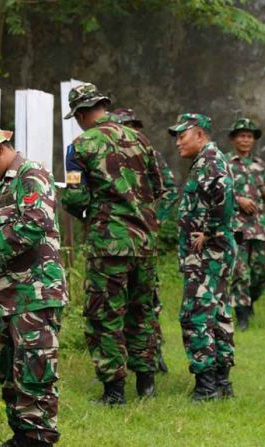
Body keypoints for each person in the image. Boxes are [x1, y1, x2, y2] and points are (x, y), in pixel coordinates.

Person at [0, 117, 68, 446]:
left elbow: (35, 226)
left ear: (0, 148)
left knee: (35, 372)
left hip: (36, 294)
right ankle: (22, 435)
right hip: (9, 297)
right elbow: (2, 243)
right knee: (10, 373)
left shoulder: (31, 175)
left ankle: (38, 438)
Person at [61, 84, 163, 405]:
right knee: (142, 311)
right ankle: (146, 385)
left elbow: (75, 198)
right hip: (145, 241)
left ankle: (114, 392)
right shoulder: (140, 139)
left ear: (79, 114)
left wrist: (88, 210)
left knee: (104, 315)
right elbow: (157, 187)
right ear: (104, 105)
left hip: (108, 245)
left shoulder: (79, 147)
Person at [168, 113, 236, 400]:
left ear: (199, 134)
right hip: (211, 255)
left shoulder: (210, 162)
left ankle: (206, 387)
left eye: (182, 136)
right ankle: (221, 383)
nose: (178, 143)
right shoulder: (206, 161)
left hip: (208, 255)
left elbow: (225, 197)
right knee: (217, 314)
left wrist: (211, 232)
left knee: (195, 316)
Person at [114, 107, 180, 373]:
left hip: (142, 239)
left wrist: (156, 218)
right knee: (114, 302)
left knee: (147, 300)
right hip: (115, 240)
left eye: (134, 125)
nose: (130, 130)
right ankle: (118, 361)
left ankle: (153, 356)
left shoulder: (150, 154)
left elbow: (170, 189)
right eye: (125, 126)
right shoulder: (107, 156)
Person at [227, 118, 265, 330]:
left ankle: (249, 301)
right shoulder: (224, 163)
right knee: (240, 271)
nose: (246, 140)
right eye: (242, 135)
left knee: (263, 271)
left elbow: (261, 198)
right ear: (234, 139)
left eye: (249, 136)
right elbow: (217, 191)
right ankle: (242, 316)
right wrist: (238, 200)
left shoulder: (260, 165)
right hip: (235, 225)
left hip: (257, 226)